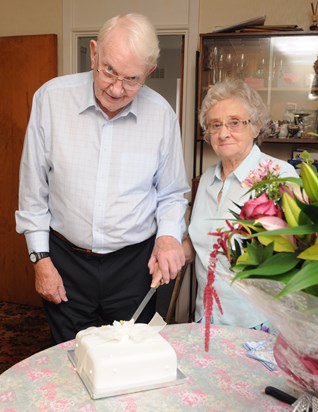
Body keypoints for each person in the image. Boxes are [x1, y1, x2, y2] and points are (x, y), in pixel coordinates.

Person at [15, 13, 189, 343]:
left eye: (132, 79)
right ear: (94, 53)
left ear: (148, 72)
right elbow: (33, 191)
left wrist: (168, 236)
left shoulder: (162, 115)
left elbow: (171, 193)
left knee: (132, 361)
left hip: (135, 265)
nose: (116, 88)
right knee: (68, 357)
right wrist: (40, 260)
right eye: (109, 70)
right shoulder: (51, 100)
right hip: (65, 261)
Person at [183, 78, 298, 329]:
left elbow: (300, 255)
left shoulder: (279, 175)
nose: (223, 133)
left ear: (255, 126)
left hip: (258, 324)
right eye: (215, 125)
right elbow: (201, 243)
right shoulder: (206, 180)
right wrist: (171, 248)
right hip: (207, 318)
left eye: (235, 122)